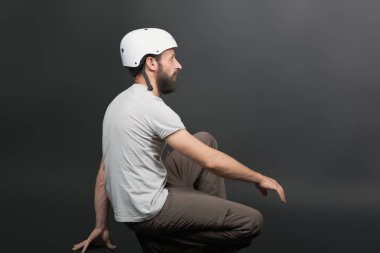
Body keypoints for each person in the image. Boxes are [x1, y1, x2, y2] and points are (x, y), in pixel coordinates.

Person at [72, 28, 286, 253]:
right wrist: (259, 178)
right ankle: (161, 242)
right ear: (152, 63)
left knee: (205, 139)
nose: (179, 65)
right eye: (172, 58)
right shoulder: (151, 107)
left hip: (140, 200)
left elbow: (104, 172)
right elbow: (211, 161)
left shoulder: (118, 103)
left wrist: (101, 225)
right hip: (151, 212)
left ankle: (206, 214)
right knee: (251, 222)